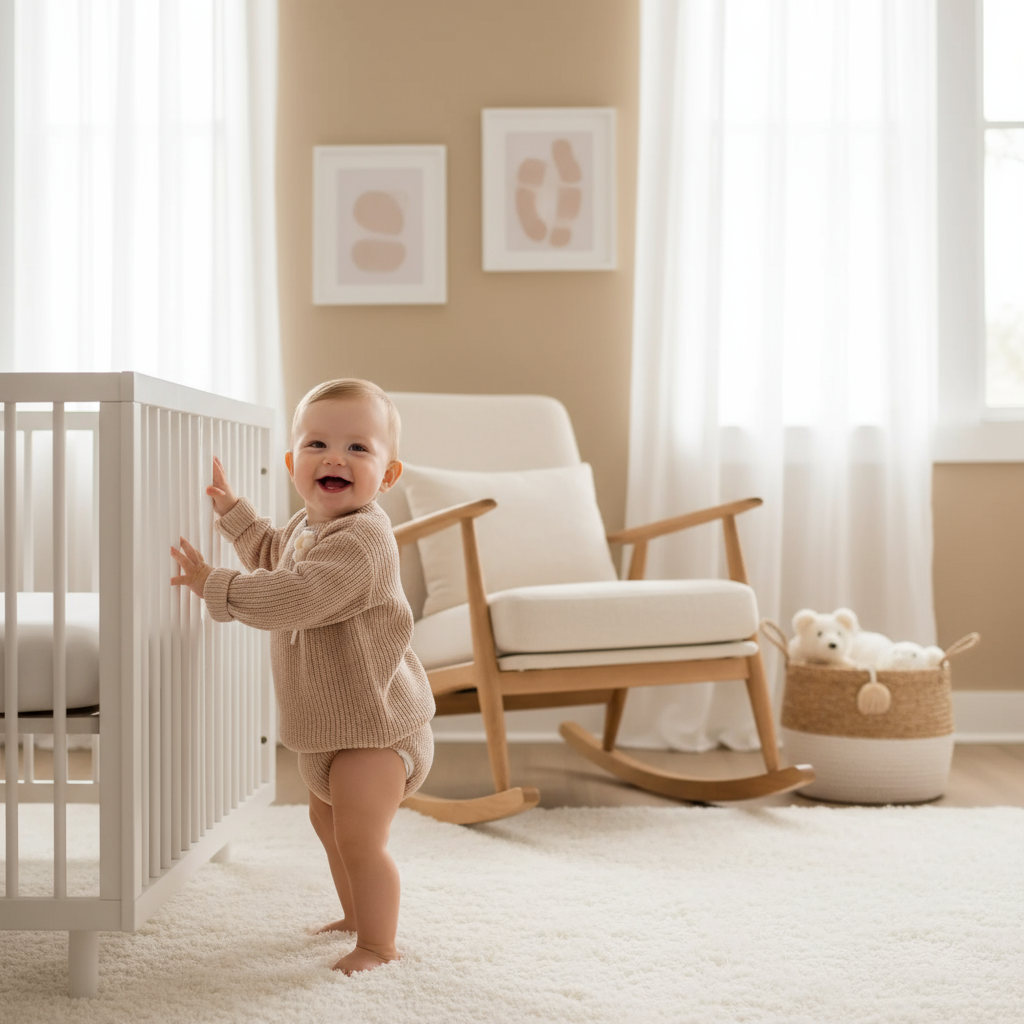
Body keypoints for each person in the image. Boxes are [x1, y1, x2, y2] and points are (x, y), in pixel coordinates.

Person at [170, 379, 435, 975]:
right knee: (330, 824)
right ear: (293, 464)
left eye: (359, 449)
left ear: (387, 477)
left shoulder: (363, 540)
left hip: (376, 726)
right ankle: (355, 915)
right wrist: (234, 514)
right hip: (326, 726)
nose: (335, 457)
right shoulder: (306, 527)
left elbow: (298, 594)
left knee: (361, 840)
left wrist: (215, 584)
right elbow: (273, 553)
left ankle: (379, 944)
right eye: (317, 443)